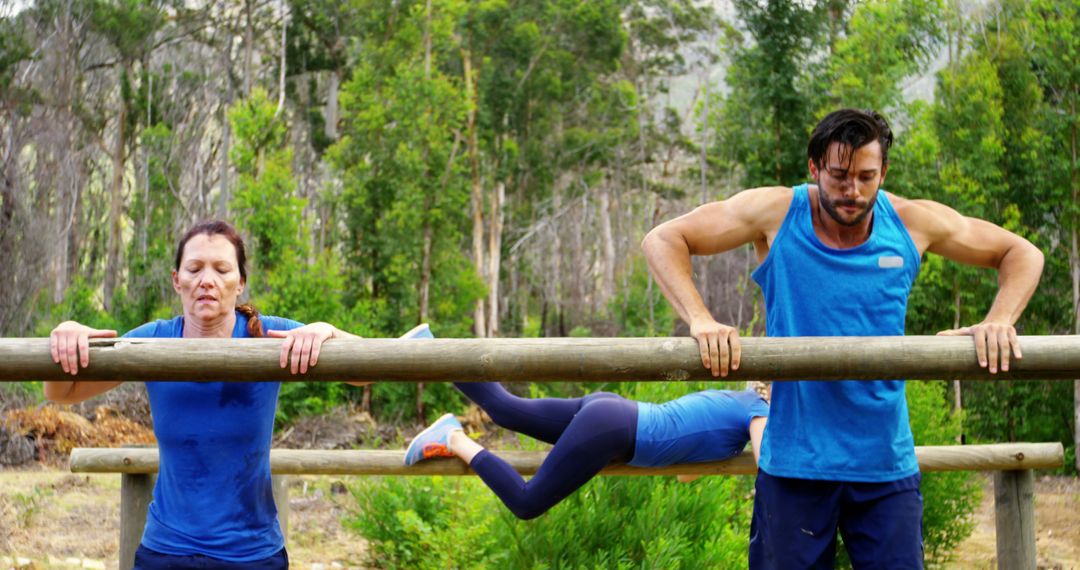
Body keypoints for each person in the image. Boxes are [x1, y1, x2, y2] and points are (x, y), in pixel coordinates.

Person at [641, 108, 1044, 569]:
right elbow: (664, 239)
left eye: (866, 177)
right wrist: (701, 319)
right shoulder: (776, 212)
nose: (852, 191)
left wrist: (999, 319)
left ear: (883, 172)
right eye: (838, 176)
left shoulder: (911, 223)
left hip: (884, 466)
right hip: (794, 465)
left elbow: (1022, 253)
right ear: (814, 169)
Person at [46, 220, 368, 569]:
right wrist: (66, 334)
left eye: (222, 269)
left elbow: (367, 374)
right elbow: (63, 392)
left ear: (240, 283)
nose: (206, 280)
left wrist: (327, 331)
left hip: (253, 553)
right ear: (176, 280)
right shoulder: (153, 339)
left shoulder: (270, 334)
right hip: (166, 551)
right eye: (195, 269)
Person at [401, 326, 768, 520]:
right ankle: (452, 437)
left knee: (507, 410)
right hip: (615, 430)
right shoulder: (758, 410)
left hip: (612, 414)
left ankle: (429, 348)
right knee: (526, 503)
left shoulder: (735, 403)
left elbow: (684, 473)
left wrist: (730, 449)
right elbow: (769, 462)